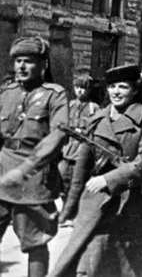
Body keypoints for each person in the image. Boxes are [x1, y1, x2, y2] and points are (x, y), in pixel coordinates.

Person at [51, 64, 142, 276]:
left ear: (135, 89)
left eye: (123, 86)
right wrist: (70, 207)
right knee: (87, 264)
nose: (116, 92)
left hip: (133, 203)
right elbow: (81, 170)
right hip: (97, 203)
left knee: (129, 267)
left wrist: (108, 179)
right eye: (112, 87)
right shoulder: (97, 118)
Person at [0, 37, 69, 277]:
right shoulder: (7, 92)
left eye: (28, 61)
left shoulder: (55, 95)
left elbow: (57, 137)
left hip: (34, 179)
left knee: (35, 243)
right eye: (18, 61)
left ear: (43, 65)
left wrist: (25, 168)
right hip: (2, 173)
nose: (21, 67)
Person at [59, 76, 100, 218]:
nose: (80, 91)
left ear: (89, 90)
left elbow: (96, 130)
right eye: (77, 87)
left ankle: (74, 214)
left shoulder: (93, 108)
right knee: (63, 180)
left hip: (81, 152)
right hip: (66, 151)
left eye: (83, 88)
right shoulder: (69, 105)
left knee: (78, 184)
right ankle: (66, 209)